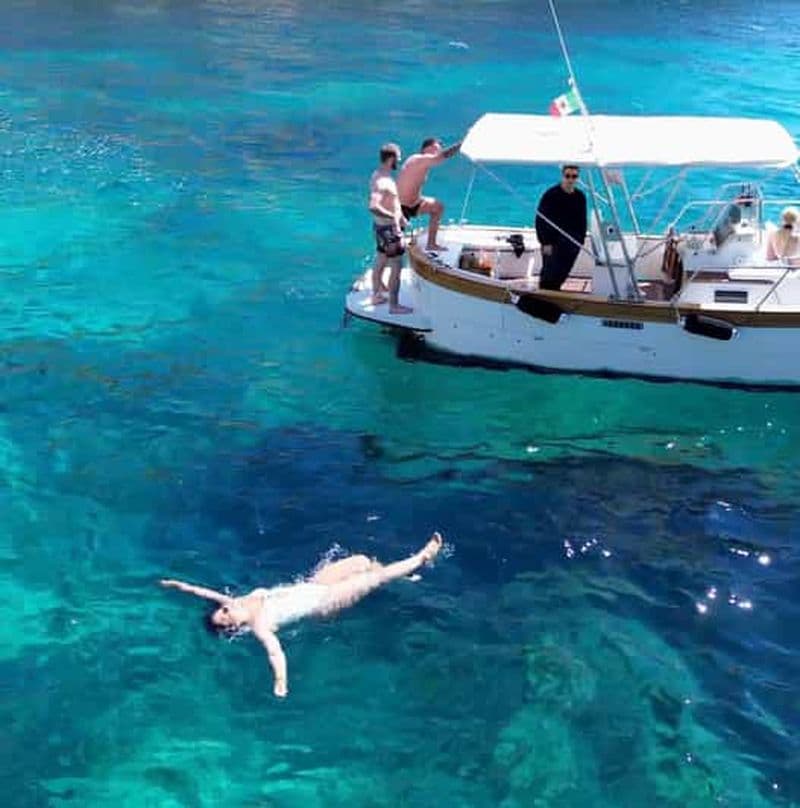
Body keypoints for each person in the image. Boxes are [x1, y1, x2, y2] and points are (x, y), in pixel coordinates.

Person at [159, 532, 444, 698]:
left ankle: (402, 576)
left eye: (223, 610)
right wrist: (280, 682)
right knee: (374, 578)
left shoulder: (239, 601)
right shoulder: (260, 626)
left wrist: (179, 586)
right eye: (226, 616)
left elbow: (204, 593)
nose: (226, 609)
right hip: (326, 603)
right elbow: (275, 654)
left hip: (317, 585)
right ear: (233, 626)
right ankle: (421, 558)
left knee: (360, 561)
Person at [368, 142, 412, 314]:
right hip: (389, 230)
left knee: (380, 259)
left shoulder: (378, 174)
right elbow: (373, 205)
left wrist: (400, 216)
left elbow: (392, 202)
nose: (399, 162)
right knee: (397, 266)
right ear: (391, 158)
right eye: (398, 159)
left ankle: (376, 294)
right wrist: (393, 219)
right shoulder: (383, 181)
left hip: (380, 228)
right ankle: (394, 305)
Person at [397, 137, 461, 251]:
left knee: (438, 207)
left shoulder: (424, 164)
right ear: (426, 148)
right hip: (401, 208)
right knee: (395, 248)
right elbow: (441, 157)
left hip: (415, 204)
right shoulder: (417, 159)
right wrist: (461, 144)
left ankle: (431, 244)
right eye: (436, 148)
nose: (438, 151)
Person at [535, 165, 588, 291]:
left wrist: (581, 240)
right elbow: (540, 219)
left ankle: (555, 294)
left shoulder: (580, 197)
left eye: (574, 176)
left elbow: (582, 220)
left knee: (563, 273)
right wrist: (545, 242)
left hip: (571, 241)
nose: (570, 179)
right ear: (562, 176)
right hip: (552, 241)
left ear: (577, 178)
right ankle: (544, 297)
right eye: (567, 176)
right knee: (549, 274)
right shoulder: (551, 194)